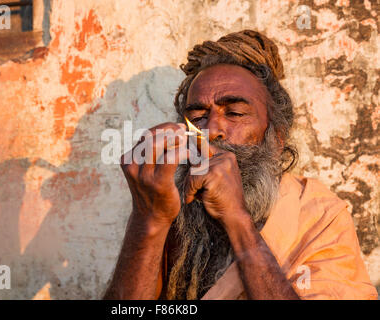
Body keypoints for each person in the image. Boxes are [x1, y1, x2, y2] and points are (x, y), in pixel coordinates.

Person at [103, 30, 377, 300]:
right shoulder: (172, 208)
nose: (212, 130)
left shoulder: (319, 218)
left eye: (233, 113)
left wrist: (238, 220)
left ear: (277, 137)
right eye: (197, 116)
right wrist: (148, 218)